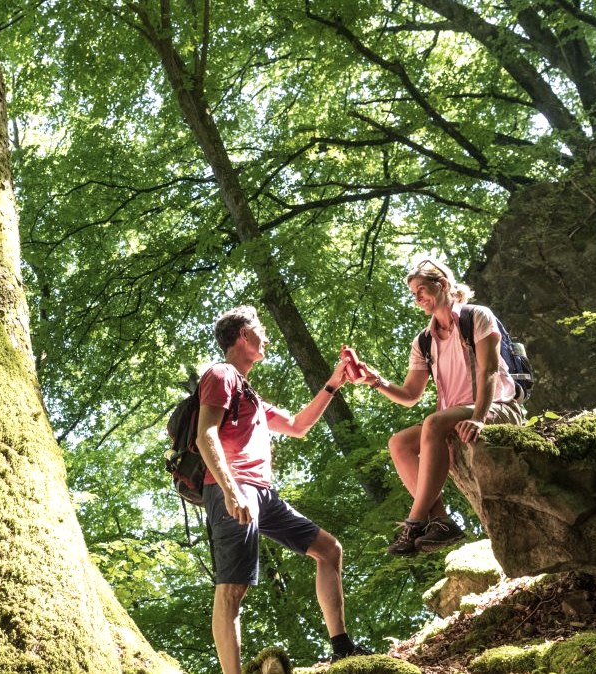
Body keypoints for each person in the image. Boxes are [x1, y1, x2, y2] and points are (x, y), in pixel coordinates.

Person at [196, 305, 366, 672]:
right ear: (243, 335)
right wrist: (229, 489)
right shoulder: (221, 374)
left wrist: (334, 382)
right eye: (260, 329)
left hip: (263, 494)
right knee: (232, 589)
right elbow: (204, 433)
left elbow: (298, 425)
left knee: (329, 550)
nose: (267, 336)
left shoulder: (250, 395)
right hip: (234, 488)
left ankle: (342, 648)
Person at [346, 257, 526, 556]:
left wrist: (479, 418)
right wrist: (374, 380)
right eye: (413, 295)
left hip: (496, 406)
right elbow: (409, 394)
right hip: (452, 414)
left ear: (442, 285)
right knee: (399, 443)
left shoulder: (476, 316)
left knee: (433, 422)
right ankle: (440, 521)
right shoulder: (424, 341)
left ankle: (414, 521)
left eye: (421, 290)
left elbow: (490, 371)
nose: (417, 299)